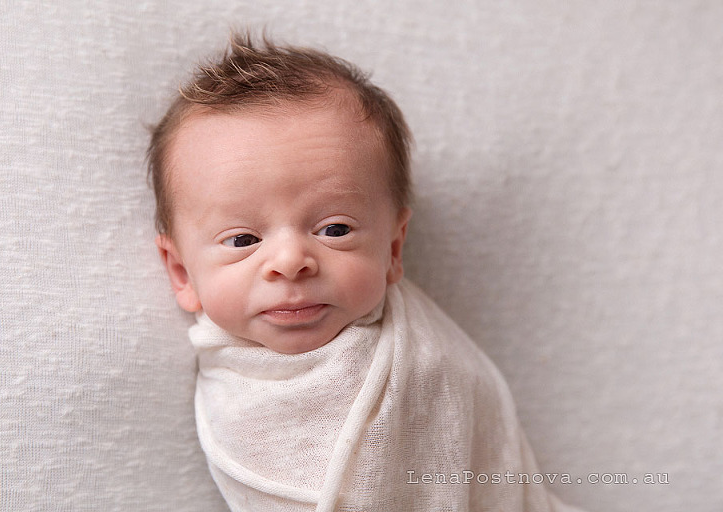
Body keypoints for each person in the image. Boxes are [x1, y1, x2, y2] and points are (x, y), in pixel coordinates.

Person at [148, 31, 583, 512]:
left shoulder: (424, 360)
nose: (291, 261)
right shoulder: (236, 388)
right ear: (183, 273)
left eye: (334, 229)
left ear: (393, 249)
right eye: (244, 240)